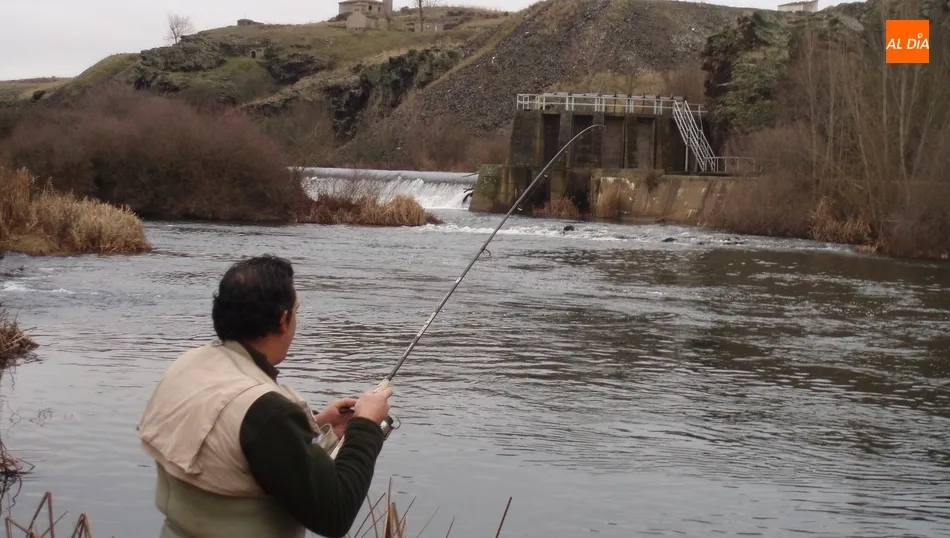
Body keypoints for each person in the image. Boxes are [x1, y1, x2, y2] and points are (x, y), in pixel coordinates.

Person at [137, 254, 394, 538]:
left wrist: (317, 426)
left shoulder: (187, 365)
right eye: (297, 310)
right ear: (284, 319)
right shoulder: (268, 412)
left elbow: (227, 447)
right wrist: (366, 427)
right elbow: (335, 514)